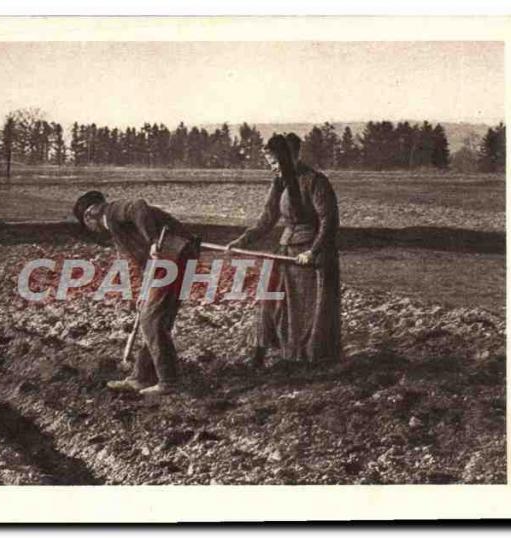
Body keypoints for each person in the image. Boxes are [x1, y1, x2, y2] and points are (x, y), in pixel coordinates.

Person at [227, 133, 341, 366]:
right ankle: (259, 354)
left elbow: (329, 220)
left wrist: (313, 252)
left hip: (310, 256)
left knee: (304, 309)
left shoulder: (315, 181)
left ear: (292, 157)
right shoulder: (279, 183)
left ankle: (304, 358)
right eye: (270, 164)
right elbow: (267, 219)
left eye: (276, 163)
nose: (273, 169)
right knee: (269, 299)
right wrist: (242, 241)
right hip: (286, 251)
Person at [73, 191, 200, 395]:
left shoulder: (113, 212)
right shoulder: (119, 231)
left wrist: (151, 241)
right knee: (154, 317)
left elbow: (138, 206)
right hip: (177, 256)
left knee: (152, 319)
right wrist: (144, 292)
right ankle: (141, 376)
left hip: (173, 254)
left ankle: (169, 381)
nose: (91, 229)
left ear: (90, 215)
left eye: (86, 223)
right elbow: (144, 263)